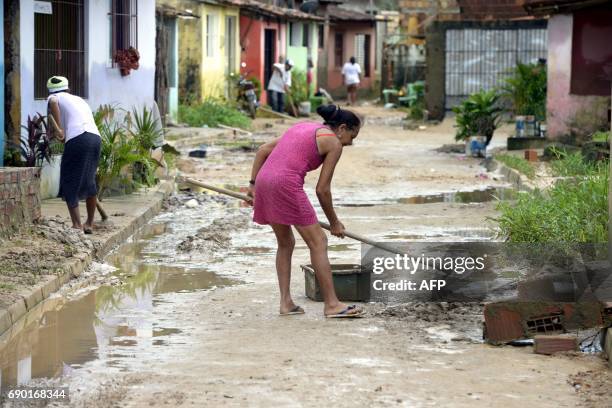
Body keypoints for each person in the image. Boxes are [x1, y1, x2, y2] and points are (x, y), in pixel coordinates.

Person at [247, 104, 363, 318]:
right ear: (342, 128)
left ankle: (286, 303)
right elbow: (322, 190)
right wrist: (334, 222)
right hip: (285, 184)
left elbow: (263, 150)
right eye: (351, 137)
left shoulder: (302, 127)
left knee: (285, 242)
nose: (349, 143)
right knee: (318, 242)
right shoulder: (333, 143)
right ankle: (332, 304)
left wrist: (253, 185)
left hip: (264, 180)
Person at [46, 76, 101, 234]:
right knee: (89, 181)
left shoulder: (54, 97)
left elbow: (54, 103)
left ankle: (77, 225)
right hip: (94, 138)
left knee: (68, 180)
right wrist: (58, 132)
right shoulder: (78, 99)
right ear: (68, 89)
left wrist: (59, 130)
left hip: (78, 138)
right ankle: (89, 223)